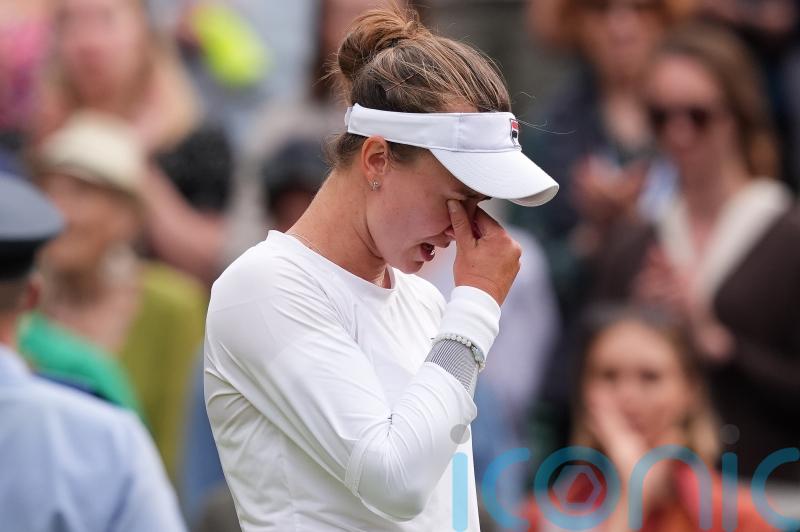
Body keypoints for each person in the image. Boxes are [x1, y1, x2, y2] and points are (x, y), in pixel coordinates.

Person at [204, 5, 559, 531]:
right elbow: (396, 483)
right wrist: (478, 302)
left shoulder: (425, 301)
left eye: (480, 202)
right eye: (456, 197)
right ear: (376, 160)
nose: (463, 228)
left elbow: (449, 514)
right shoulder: (263, 287)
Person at [592, 24, 799, 484]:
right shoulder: (633, 241)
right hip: (654, 498)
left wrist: (717, 341)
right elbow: (585, 379)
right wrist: (636, 326)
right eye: (662, 116)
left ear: (738, 115)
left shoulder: (787, 236)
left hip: (771, 492)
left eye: (698, 115)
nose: (679, 132)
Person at [21, 111, 208, 480]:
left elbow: (180, 455)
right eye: (51, 191)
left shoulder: (173, 306)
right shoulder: (21, 307)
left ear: (128, 214)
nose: (61, 212)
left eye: (81, 193)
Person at [0, 174, 187, 532]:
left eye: (83, 193)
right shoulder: (109, 440)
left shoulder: (166, 306)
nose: (71, 212)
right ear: (31, 296)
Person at [32, 0, 234, 283]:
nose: (88, 41)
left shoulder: (194, 138)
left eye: (106, 19)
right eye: (70, 22)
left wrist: (125, 158)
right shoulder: (38, 135)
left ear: (144, 32)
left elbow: (211, 261)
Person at [522, 306, 775, 531]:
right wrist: (632, 497)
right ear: (583, 391)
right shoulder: (546, 515)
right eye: (608, 375)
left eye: (650, 376)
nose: (628, 396)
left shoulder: (738, 518)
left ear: (690, 389)